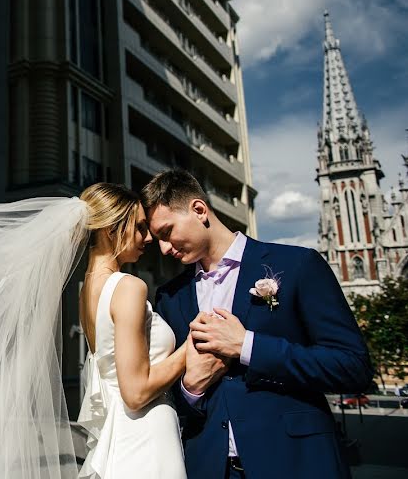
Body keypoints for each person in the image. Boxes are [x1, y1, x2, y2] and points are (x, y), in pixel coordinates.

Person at [143, 169, 373, 479]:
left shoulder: (297, 265)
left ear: (199, 210)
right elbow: (168, 396)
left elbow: (353, 367)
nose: (165, 249)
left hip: (296, 462)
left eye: (167, 232)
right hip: (208, 467)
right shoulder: (170, 297)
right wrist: (191, 389)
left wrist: (247, 346)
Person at [76, 183, 187, 478]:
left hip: (120, 433)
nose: (148, 237)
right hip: (145, 432)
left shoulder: (87, 290)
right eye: (139, 228)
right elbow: (136, 393)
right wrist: (191, 348)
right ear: (111, 230)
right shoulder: (128, 287)